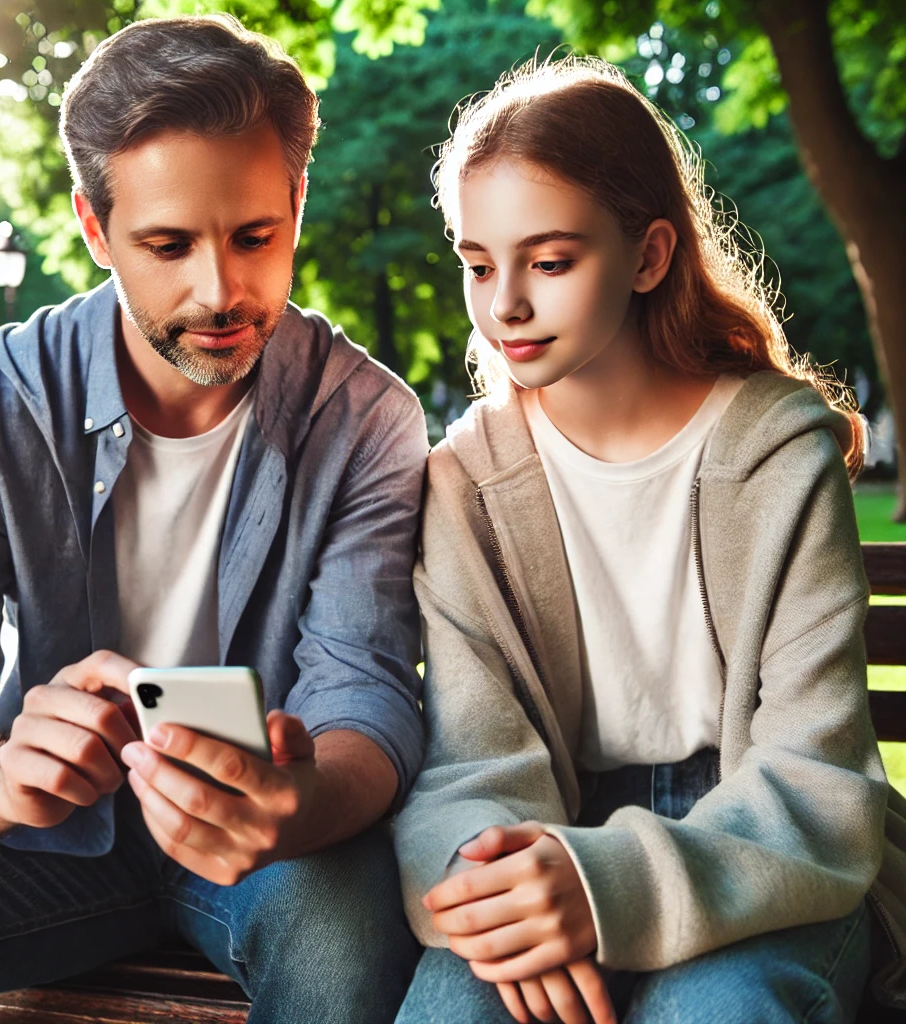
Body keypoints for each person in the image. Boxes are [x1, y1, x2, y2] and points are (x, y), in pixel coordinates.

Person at [0, 15, 427, 1024]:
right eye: (168, 245)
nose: (220, 291)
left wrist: (293, 804)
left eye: (256, 236)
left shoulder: (366, 418)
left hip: (270, 852)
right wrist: (1, 776)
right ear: (95, 230)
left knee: (342, 925)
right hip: (39, 845)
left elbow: (368, 701)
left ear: (296, 201)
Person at [393, 56, 897, 1024]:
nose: (503, 305)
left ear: (650, 254)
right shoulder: (464, 482)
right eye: (476, 263)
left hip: (761, 851)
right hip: (537, 836)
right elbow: (469, 765)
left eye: (549, 261)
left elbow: (814, 776)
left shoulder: (777, 455)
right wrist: (494, 883)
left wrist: (602, 883)